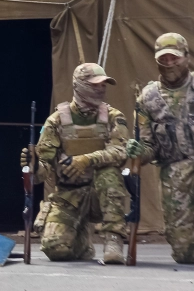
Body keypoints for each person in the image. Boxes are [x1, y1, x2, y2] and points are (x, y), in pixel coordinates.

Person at [127, 33, 194, 267]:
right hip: (173, 170)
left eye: (174, 58)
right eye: (163, 59)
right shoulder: (147, 98)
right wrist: (138, 151)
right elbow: (149, 146)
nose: (169, 63)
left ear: (187, 57)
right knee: (186, 255)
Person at [24, 64, 129, 263]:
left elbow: (119, 151)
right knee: (55, 250)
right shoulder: (56, 121)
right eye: (95, 85)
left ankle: (113, 239)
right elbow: (42, 172)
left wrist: (86, 160)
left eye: (104, 85)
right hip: (69, 194)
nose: (101, 89)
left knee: (110, 172)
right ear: (79, 85)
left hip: (101, 196)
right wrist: (34, 166)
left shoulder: (113, 117)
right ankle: (82, 242)